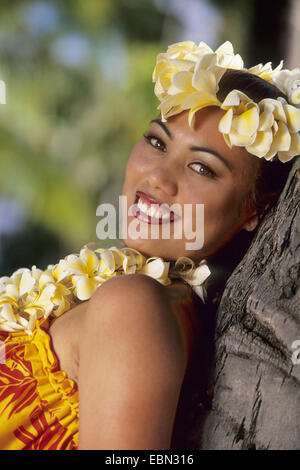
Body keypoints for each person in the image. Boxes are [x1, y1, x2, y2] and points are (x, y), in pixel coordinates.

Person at [0, 40, 298, 450]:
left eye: (201, 167)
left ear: (255, 213)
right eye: (158, 142)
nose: (158, 176)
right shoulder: (127, 293)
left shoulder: (134, 307)